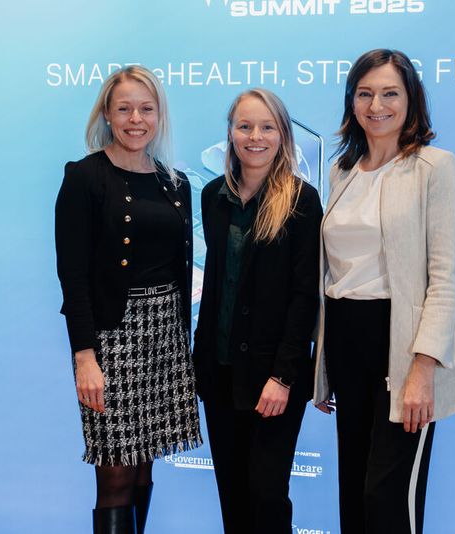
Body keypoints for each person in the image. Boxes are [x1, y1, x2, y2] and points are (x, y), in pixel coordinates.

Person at [312, 49, 455, 534]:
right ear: (351, 102)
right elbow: (333, 271)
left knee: (388, 500)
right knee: (354, 495)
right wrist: (325, 364)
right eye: (364, 93)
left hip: (403, 347)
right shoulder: (342, 170)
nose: (376, 104)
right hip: (347, 340)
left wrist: (423, 368)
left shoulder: (434, 167)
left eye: (389, 93)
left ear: (411, 100)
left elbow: (443, 279)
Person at [55, 65, 202, 534]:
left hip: (164, 338)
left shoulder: (175, 183)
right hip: (113, 341)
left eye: (146, 108)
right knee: (116, 472)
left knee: (144, 465)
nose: (135, 118)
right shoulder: (84, 177)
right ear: (107, 114)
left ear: (159, 115)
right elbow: (72, 277)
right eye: (124, 108)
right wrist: (84, 357)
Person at [193, 88, 323, 534]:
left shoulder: (302, 201)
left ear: (283, 135)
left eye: (267, 126)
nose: (255, 136)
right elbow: (216, 286)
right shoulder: (213, 196)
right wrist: (199, 362)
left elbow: (305, 296)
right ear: (230, 133)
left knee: (266, 495)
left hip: (273, 379)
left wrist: (284, 375)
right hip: (221, 370)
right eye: (245, 126)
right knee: (232, 494)